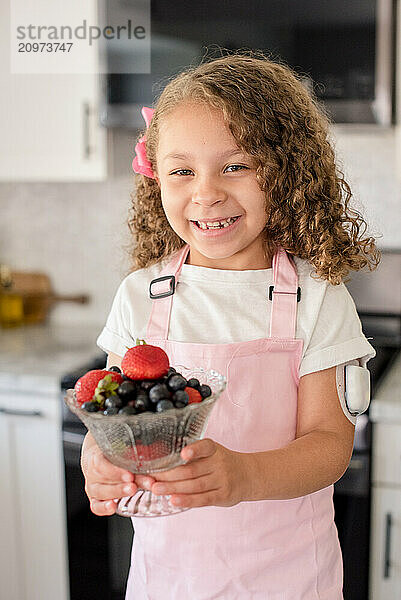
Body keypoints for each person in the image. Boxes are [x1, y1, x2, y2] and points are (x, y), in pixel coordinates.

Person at [81, 50, 380, 598]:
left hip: (288, 580)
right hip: (167, 580)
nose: (206, 192)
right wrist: (98, 461)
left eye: (235, 166)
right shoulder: (140, 295)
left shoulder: (316, 298)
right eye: (181, 171)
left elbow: (329, 446)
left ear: (286, 170)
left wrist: (244, 477)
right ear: (157, 178)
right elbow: (114, 420)